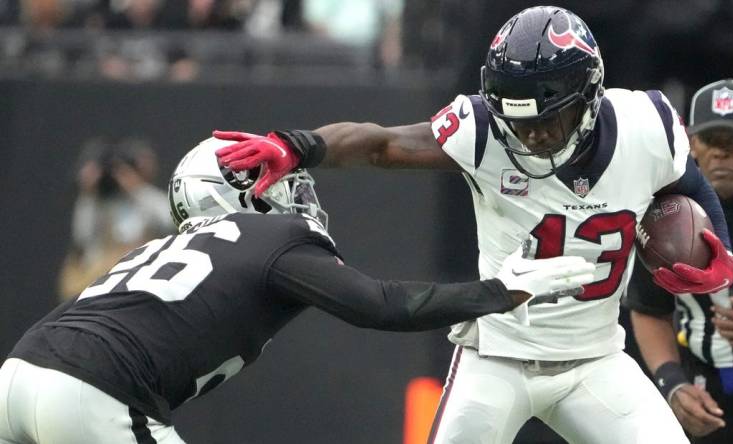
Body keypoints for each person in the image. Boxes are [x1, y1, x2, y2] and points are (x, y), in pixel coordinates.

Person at [210, 6, 733, 443]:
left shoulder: (646, 127)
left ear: (589, 93)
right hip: (497, 359)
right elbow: (384, 144)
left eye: (545, 121)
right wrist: (299, 145)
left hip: (596, 360)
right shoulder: (484, 131)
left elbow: (687, 184)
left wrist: (716, 255)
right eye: (518, 121)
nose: (529, 137)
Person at [0, 137, 596, 444]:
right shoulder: (273, 236)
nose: (293, 189)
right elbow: (380, 305)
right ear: (239, 194)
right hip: (95, 393)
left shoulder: (161, 246)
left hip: (19, 372)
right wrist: (498, 291)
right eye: (275, 179)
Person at [627, 79, 733, 443]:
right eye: (710, 141)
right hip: (701, 377)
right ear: (690, 143)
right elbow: (648, 309)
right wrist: (673, 385)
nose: (720, 154)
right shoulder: (661, 212)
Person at [57, 138, 173, 300]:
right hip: (98, 282)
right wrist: (88, 194)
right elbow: (83, 236)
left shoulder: (146, 199)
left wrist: (136, 189)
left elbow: (169, 219)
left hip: (137, 280)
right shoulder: (97, 203)